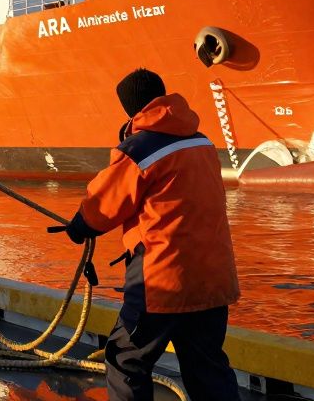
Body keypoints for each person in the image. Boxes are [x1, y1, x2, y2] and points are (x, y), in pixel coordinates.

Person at [64, 68, 241, 401]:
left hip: (162, 280)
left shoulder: (138, 150)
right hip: (213, 279)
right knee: (207, 366)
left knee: (125, 360)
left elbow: (102, 206)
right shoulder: (203, 144)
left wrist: (79, 226)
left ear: (131, 108)